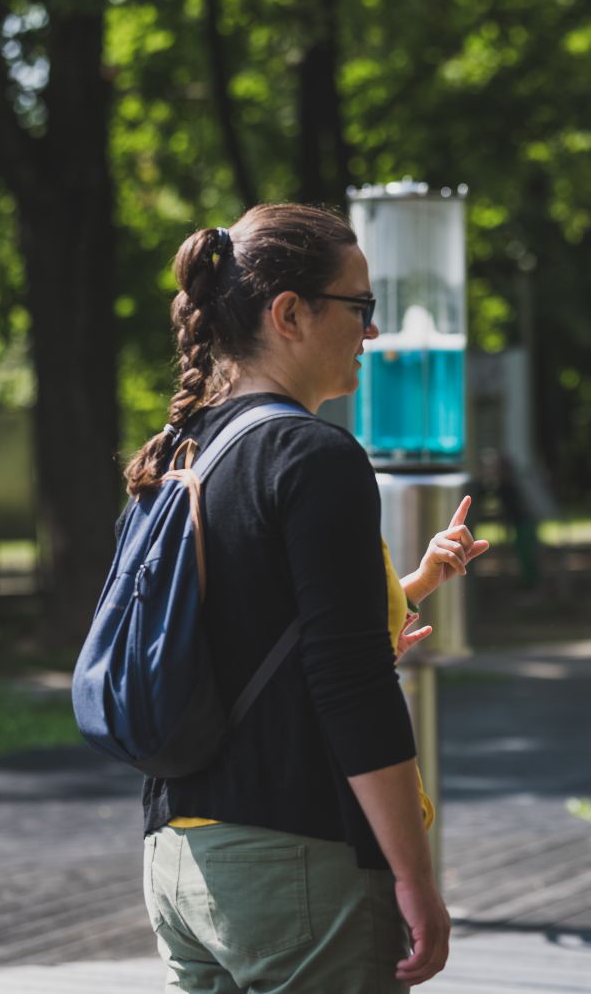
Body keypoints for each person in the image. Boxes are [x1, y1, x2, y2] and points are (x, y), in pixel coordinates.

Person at [124, 204, 488, 992]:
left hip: (177, 857)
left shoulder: (179, 449)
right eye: (359, 308)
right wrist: (415, 878)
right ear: (289, 314)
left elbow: (225, 641)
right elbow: (350, 687)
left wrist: (399, 601)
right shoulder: (313, 455)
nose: (372, 334)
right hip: (296, 859)